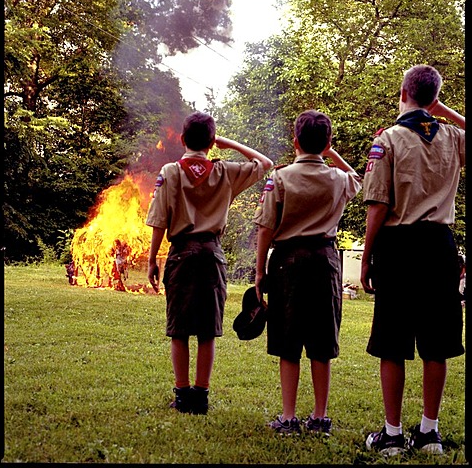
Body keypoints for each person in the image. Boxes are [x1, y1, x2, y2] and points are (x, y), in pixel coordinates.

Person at [360, 64, 465, 456]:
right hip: (440, 245)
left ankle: (391, 434)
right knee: (436, 343)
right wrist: (445, 111)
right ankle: (429, 433)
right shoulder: (453, 137)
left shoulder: (387, 140)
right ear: (434, 98)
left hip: (399, 246)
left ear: (403, 90)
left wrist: (367, 257)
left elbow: (378, 207)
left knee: (393, 341)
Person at [146, 111, 273, 415]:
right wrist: (226, 144)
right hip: (211, 254)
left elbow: (159, 220)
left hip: (181, 254)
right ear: (212, 142)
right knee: (206, 329)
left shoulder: (170, 171)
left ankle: (181, 394)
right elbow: (265, 164)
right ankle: (200, 396)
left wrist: (152, 259)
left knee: (178, 327)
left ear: (182, 139)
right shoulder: (224, 171)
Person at [254, 109, 362, 435]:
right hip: (326, 261)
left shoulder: (281, 177)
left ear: (295, 140)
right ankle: (319, 417)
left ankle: (288, 418)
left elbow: (265, 227)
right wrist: (332, 153)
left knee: (288, 341)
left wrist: (260, 272)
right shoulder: (339, 179)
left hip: (287, 262)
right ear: (327, 142)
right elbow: (359, 178)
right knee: (321, 339)